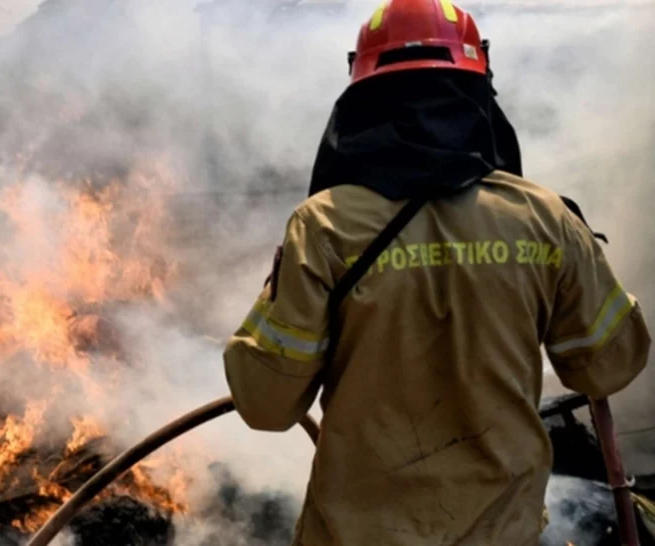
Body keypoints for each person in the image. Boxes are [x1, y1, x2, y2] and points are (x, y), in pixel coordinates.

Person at [221, 0, 652, 544]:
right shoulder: (544, 219)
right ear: (478, 94)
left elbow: (265, 404)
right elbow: (607, 368)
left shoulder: (324, 227)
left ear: (362, 99)